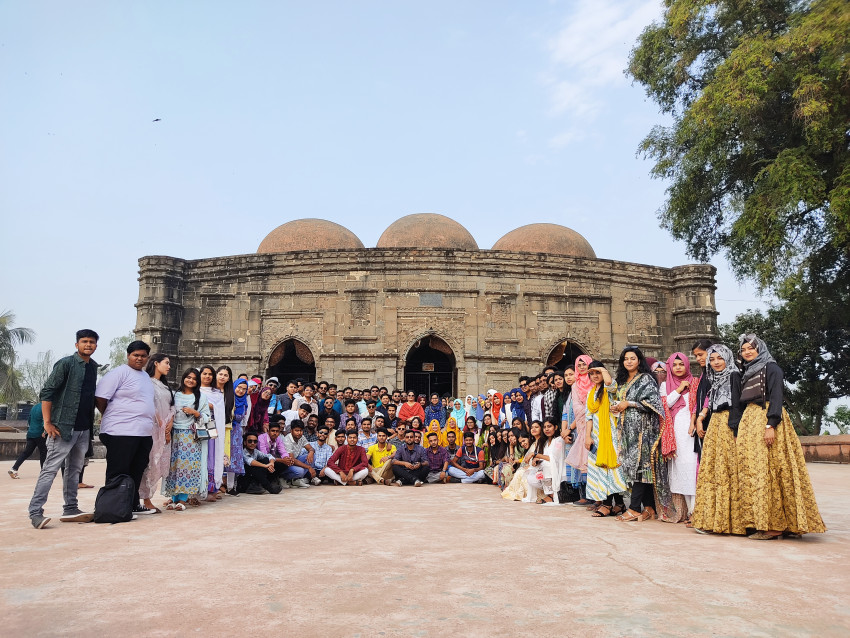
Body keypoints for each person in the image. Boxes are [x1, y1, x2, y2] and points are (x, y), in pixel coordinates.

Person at [734, 334, 825, 539]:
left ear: (760, 349)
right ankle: (767, 522)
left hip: (767, 418)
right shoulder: (747, 371)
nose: (747, 352)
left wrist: (771, 425)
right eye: (744, 349)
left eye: (751, 348)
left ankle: (776, 525)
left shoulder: (771, 368)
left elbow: (776, 397)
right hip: (750, 420)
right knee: (756, 472)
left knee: (773, 471)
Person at [28, 330, 100, 528]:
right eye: (84, 342)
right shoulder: (66, 364)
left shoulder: (93, 367)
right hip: (62, 427)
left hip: (84, 428)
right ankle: (35, 512)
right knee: (50, 469)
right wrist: (47, 422)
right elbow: (47, 392)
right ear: (76, 344)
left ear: (96, 346)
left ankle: (70, 508)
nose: (88, 345)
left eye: (92, 342)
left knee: (74, 470)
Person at [94, 340, 156, 516]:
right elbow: (100, 397)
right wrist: (111, 414)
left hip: (142, 432)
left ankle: (132, 504)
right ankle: (111, 508)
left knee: (136, 469)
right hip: (120, 431)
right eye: (136, 355)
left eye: (143, 356)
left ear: (148, 358)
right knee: (118, 470)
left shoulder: (145, 377)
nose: (139, 358)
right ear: (128, 355)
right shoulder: (118, 373)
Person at [690, 344, 745, 535]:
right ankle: (713, 520)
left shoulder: (734, 375)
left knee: (728, 471)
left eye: (719, 358)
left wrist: (736, 431)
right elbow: (710, 402)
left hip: (729, 425)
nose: (715, 363)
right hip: (715, 424)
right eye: (712, 359)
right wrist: (702, 416)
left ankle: (732, 523)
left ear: (727, 358)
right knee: (713, 471)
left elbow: (737, 405)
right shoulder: (715, 378)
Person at [611, 346, 667, 523]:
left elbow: (654, 404)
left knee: (640, 468)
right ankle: (649, 508)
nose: (629, 361)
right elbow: (621, 400)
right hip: (627, 431)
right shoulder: (622, 381)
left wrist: (630, 403)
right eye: (625, 359)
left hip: (644, 430)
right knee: (633, 468)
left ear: (639, 360)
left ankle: (634, 508)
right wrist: (618, 406)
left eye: (632, 358)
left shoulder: (646, 379)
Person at [584, 362, 627, 517]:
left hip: (611, 435)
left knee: (612, 468)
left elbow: (610, 383)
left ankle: (608, 505)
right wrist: (587, 436)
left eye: (598, 373)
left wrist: (603, 370)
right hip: (596, 436)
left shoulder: (609, 389)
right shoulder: (590, 394)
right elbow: (588, 417)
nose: (595, 376)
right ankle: (619, 504)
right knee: (601, 469)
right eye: (592, 373)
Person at [660, 352, 700, 521]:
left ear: (687, 365)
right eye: (674, 365)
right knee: (680, 469)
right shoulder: (665, 385)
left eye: (681, 364)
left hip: (691, 430)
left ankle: (696, 511)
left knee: (692, 467)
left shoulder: (696, 382)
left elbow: (698, 405)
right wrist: (678, 389)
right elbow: (665, 404)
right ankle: (688, 511)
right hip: (674, 430)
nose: (678, 368)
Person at [163, 369, 210, 510]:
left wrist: (195, 412)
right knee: (173, 466)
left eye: (194, 379)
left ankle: (183, 499)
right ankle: (173, 498)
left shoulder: (200, 397)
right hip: (174, 434)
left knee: (186, 467)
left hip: (191, 436)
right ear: (183, 378)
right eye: (188, 377)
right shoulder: (174, 395)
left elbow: (207, 417)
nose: (191, 380)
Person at [138, 353, 175, 513]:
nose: (169, 366)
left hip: (165, 428)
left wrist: (169, 423)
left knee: (158, 464)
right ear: (155, 363)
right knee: (149, 463)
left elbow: (172, 406)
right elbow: (149, 405)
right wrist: (161, 424)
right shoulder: (147, 383)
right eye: (166, 363)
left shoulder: (165, 386)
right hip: (151, 428)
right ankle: (145, 499)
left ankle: (147, 497)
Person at [566, 355, 593, 505]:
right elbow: (576, 406)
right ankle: (587, 496)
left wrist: (590, 410)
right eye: (579, 365)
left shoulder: (594, 381)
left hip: (597, 423)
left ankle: (597, 497)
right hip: (582, 424)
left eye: (584, 364)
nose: (582, 367)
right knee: (584, 461)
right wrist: (587, 411)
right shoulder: (575, 385)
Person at [198, 365, 225, 502]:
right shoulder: (194, 390)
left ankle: (211, 488)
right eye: (205, 373)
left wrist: (206, 405)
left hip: (211, 426)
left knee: (211, 456)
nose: (207, 376)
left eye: (210, 374)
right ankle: (195, 489)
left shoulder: (217, 393)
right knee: (197, 456)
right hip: (195, 426)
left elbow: (219, 409)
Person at [525, 418, 566, 504]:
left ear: (555, 427)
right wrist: (536, 460)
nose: (546, 429)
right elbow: (544, 457)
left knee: (546, 466)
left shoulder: (559, 440)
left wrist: (535, 454)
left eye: (549, 426)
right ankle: (548, 492)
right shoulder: (546, 442)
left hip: (556, 469)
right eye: (544, 427)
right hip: (546, 469)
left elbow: (553, 458)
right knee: (530, 476)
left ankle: (551, 495)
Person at [9, 402, 47, 479]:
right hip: (40, 433)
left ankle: (14, 469)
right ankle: (44, 473)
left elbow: (29, 420)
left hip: (30, 433)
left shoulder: (34, 407)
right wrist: (44, 431)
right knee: (43, 452)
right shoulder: (45, 406)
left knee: (26, 452)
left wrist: (31, 429)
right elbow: (45, 419)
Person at [225, 378, 250, 495]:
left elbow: (243, 418)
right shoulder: (227, 398)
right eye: (239, 387)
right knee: (222, 456)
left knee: (234, 458)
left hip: (236, 433)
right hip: (225, 430)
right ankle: (217, 485)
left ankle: (230, 487)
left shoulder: (244, 402)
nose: (241, 391)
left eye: (244, 389)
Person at [279, 420, 316, 487]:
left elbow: (311, 448)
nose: (299, 433)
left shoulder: (302, 437)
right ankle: (283, 478)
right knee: (300, 471)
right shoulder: (287, 440)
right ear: (291, 430)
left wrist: (311, 452)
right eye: (296, 430)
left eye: (301, 430)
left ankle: (296, 480)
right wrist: (308, 467)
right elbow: (292, 459)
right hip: (286, 463)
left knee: (313, 456)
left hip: (295, 459)